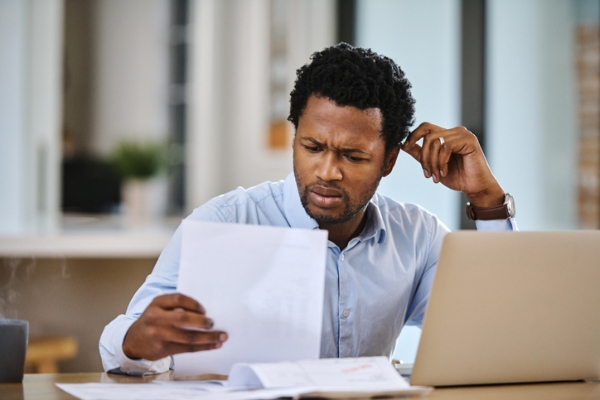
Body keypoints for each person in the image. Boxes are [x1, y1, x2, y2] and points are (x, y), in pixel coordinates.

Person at [100, 43, 516, 375]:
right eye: (312, 147)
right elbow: (122, 346)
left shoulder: (417, 237)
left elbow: (496, 331)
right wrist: (137, 341)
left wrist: (488, 200)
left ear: (389, 160)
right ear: (296, 136)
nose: (328, 171)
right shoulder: (226, 222)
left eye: (353, 156)